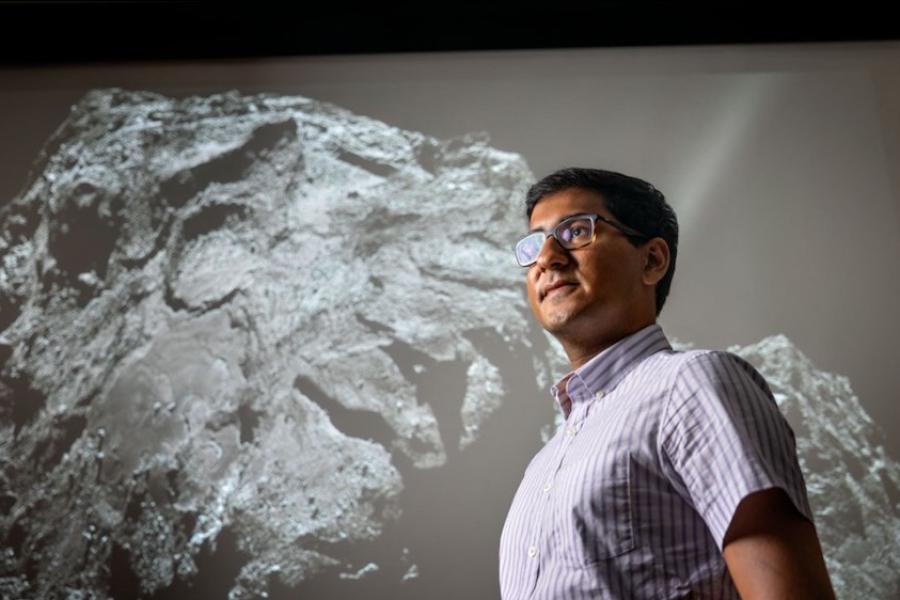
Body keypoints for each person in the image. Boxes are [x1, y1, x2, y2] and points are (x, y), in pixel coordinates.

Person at [498, 167, 835, 599]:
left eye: (575, 231)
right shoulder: (543, 465)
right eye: (534, 244)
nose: (547, 258)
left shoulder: (692, 383)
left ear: (652, 260)